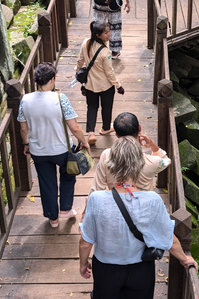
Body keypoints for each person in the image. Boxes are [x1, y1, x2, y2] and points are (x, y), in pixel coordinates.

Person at [79, 136, 198, 299]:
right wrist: (184, 259)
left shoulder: (97, 200)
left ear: (111, 164)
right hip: (139, 269)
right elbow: (169, 237)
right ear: (139, 164)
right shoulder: (152, 200)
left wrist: (83, 264)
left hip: (106, 267)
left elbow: (85, 241)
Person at [18, 62, 90, 228]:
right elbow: (74, 127)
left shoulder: (26, 100)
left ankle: (53, 218)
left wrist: (26, 143)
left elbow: (23, 128)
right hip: (61, 149)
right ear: (52, 79)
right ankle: (65, 209)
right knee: (68, 175)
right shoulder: (60, 98)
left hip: (38, 150)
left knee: (46, 183)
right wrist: (83, 141)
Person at [89, 112, 170, 193]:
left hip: (116, 203)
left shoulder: (106, 156)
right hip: (143, 204)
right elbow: (166, 160)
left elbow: (96, 190)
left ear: (117, 134)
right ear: (139, 128)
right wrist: (153, 145)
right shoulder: (152, 162)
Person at [76, 20, 124, 145]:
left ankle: (91, 132)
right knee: (106, 107)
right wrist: (118, 85)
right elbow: (109, 73)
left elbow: (80, 60)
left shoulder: (85, 43)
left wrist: (77, 71)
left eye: (109, 32)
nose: (109, 35)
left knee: (92, 107)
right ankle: (105, 128)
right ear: (98, 35)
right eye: (105, 33)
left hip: (90, 85)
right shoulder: (105, 52)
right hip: (105, 86)